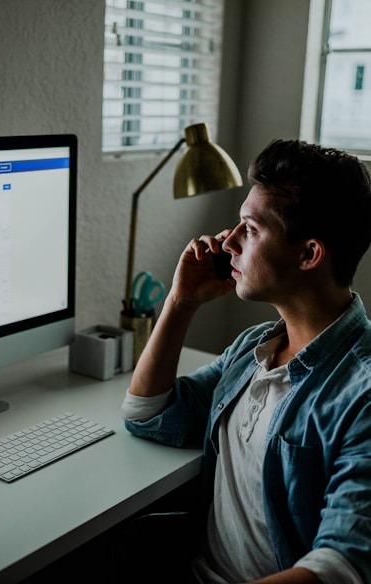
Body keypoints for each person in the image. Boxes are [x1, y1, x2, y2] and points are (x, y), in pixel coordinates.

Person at [121, 139, 371, 583]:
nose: (228, 242)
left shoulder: (361, 394)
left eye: (251, 230)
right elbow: (148, 413)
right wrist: (180, 302)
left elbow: (341, 567)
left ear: (309, 254)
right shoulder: (254, 349)